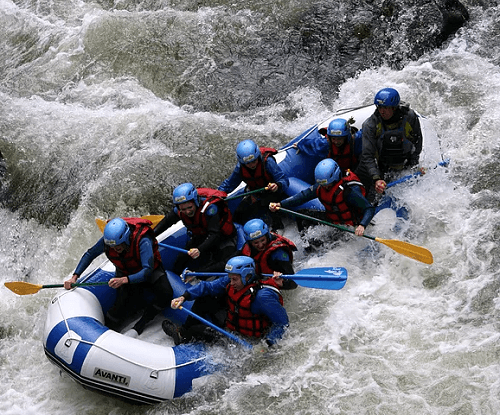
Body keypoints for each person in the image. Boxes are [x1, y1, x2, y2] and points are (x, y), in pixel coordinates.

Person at [64, 217, 174, 335]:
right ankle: (103, 332)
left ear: (126, 238)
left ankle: (140, 325)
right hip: (125, 272)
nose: (115, 249)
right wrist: (75, 276)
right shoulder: (109, 242)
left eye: (118, 246)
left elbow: (147, 270)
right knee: (119, 309)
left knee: (166, 294)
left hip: (149, 273)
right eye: (112, 247)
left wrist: (125, 280)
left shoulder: (143, 240)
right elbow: (90, 254)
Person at [162, 256, 289, 347]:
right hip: (232, 322)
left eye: (234, 279)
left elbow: (283, 323)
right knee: (204, 299)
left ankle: (184, 336)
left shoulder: (263, 297)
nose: (231, 282)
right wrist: (184, 296)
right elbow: (208, 287)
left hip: (247, 338)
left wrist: (266, 344)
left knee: (199, 330)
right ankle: (183, 333)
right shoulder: (232, 280)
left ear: (248, 276)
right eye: (230, 278)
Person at [270, 159, 376, 237]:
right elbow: (301, 197)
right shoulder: (321, 186)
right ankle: (309, 248)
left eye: (327, 185)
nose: (324, 187)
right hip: (333, 220)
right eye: (322, 184)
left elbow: (369, 208)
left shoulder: (350, 191)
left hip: (353, 224)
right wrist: (280, 204)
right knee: (302, 217)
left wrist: (362, 225)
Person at [154, 183, 237, 275]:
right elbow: (166, 222)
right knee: (179, 262)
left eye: (190, 207)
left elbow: (215, 234)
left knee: (221, 264)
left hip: (222, 238)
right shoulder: (179, 210)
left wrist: (199, 249)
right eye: (183, 209)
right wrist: (151, 235)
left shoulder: (210, 209)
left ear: (195, 202)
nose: (187, 212)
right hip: (201, 236)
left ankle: (201, 276)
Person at [355, 88, 423, 201]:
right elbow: (367, 156)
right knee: (373, 199)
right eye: (380, 107)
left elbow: (418, 142)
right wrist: (376, 178)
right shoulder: (370, 125)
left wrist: (413, 166)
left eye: (385, 108)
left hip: (405, 164)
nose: (382, 111)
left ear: (394, 107)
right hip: (382, 168)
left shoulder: (410, 117)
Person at [218, 139, 289, 231]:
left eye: (254, 161)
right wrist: (218, 194)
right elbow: (229, 184)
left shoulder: (268, 162)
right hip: (257, 194)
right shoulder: (240, 169)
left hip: (274, 193)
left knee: (269, 203)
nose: (252, 165)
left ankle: (278, 227)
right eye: (248, 163)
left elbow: (284, 180)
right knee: (239, 212)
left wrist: (277, 185)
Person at [240, 218, 298, 290]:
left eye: (262, 240)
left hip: (272, 285)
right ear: (250, 242)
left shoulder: (279, 253)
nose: (260, 245)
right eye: (256, 243)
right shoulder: (249, 247)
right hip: (257, 279)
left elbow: (293, 284)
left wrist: (282, 283)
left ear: (267, 236)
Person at [293, 118, 362, 174]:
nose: (336, 142)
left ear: (346, 137)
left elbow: (366, 133)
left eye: (339, 139)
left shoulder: (355, 141)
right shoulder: (325, 144)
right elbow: (312, 145)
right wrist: (300, 144)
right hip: (334, 173)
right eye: (333, 139)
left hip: (352, 170)